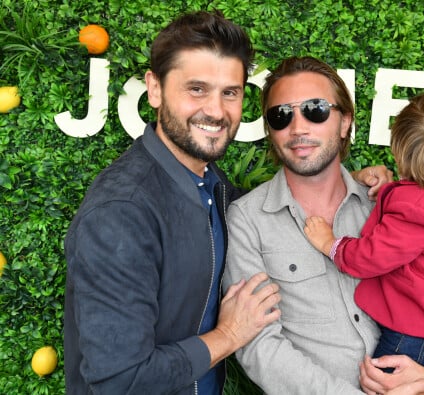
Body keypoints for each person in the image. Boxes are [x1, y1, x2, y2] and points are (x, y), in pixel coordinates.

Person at [64, 11, 389, 395]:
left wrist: (362, 179)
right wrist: (229, 335)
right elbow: (120, 380)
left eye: (229, 92)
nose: (216, 111)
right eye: (196, 89)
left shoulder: (209, 184)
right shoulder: (122, 212)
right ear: (154, 89)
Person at [223, 57, 424, 395]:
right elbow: (257, 345)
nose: (298, 127)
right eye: (281, 115)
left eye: (315, 110)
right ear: (271, 130)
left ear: (345, 122)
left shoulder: (392, 205)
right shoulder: (247, 219)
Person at [304, 89, 424, 373]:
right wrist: (390, 192)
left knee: (379, 383)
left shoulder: (417, 210)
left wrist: (330, 243)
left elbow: (370, 257)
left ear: (401, 151)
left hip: (416, 332)